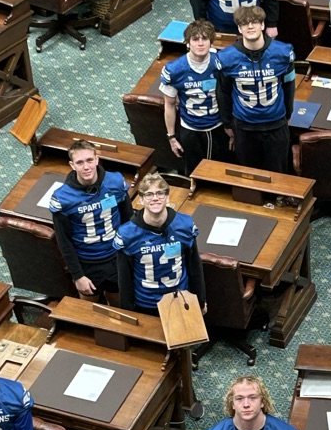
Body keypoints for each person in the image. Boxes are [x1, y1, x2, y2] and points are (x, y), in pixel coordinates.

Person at [49, 140, 132, 303]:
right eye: (80, 162)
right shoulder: (63, 198)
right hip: (87, 262)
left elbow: (128, 220)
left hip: (116, 256)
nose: (86, 167)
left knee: (119, 305)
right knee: (89, 309)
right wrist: (78, 275)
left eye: (89, 160)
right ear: (72, 165)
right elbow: (64, 240)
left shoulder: (115, 183)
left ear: (97, 159)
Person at [216, 5, 295, 174]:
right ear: (239, 28)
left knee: (279, 174)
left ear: (263, 25)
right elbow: (223, 93)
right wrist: (228, 123)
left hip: (275, 123)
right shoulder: (227, 58)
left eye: (254, 22)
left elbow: (289, 86)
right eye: (245, 23)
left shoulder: (282, 52)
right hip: (245, 126)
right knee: (249, 175)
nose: (250, 26)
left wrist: (288, 114)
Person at [114, 171, 206, 314]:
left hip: (180, 300)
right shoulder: (128, 234)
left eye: (160, 193)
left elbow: (194, 266)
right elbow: (124, 278)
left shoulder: (184, 225)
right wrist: (128, 310)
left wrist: (200, 300)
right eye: (149, 194)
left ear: (167, 197)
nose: (155, 198)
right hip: (146, 304)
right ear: (141, 199)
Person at [160, 19, 232, 174]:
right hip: (190, 129)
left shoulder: (221, 64)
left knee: (221, 173)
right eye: (195, 39)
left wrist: (232, 128)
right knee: (193, 174)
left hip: (218, 127)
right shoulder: (175, 70)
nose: (200, 43)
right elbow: (170, 105)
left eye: (205, 39)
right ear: (187, 43)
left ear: (211, 42)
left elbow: (231, 97)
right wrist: (171, 137)